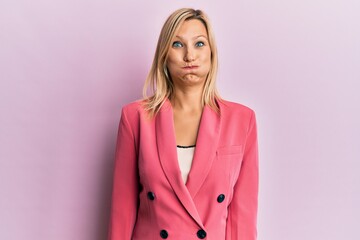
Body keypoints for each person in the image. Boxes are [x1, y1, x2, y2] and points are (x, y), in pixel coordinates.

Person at [108, 8, 259, 240]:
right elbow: (122, 212)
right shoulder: (136, 118)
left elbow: (243, 219)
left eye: (199, 44)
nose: (190, 56)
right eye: (178, 45)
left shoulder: (242, 120)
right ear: (164, 55)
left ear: (212, 52)